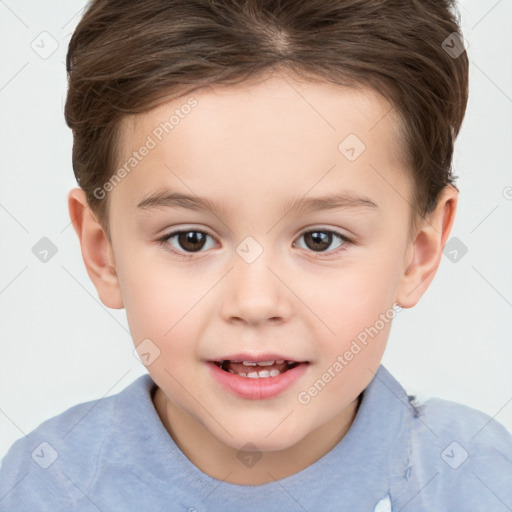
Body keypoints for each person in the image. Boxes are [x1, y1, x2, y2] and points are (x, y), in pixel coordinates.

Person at [1, 0, 511, 510]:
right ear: (103, 251)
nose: (255, 301)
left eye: (320, 239)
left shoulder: (482, 481)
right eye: (191, 239)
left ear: (418, 252)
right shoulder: (42, 488)